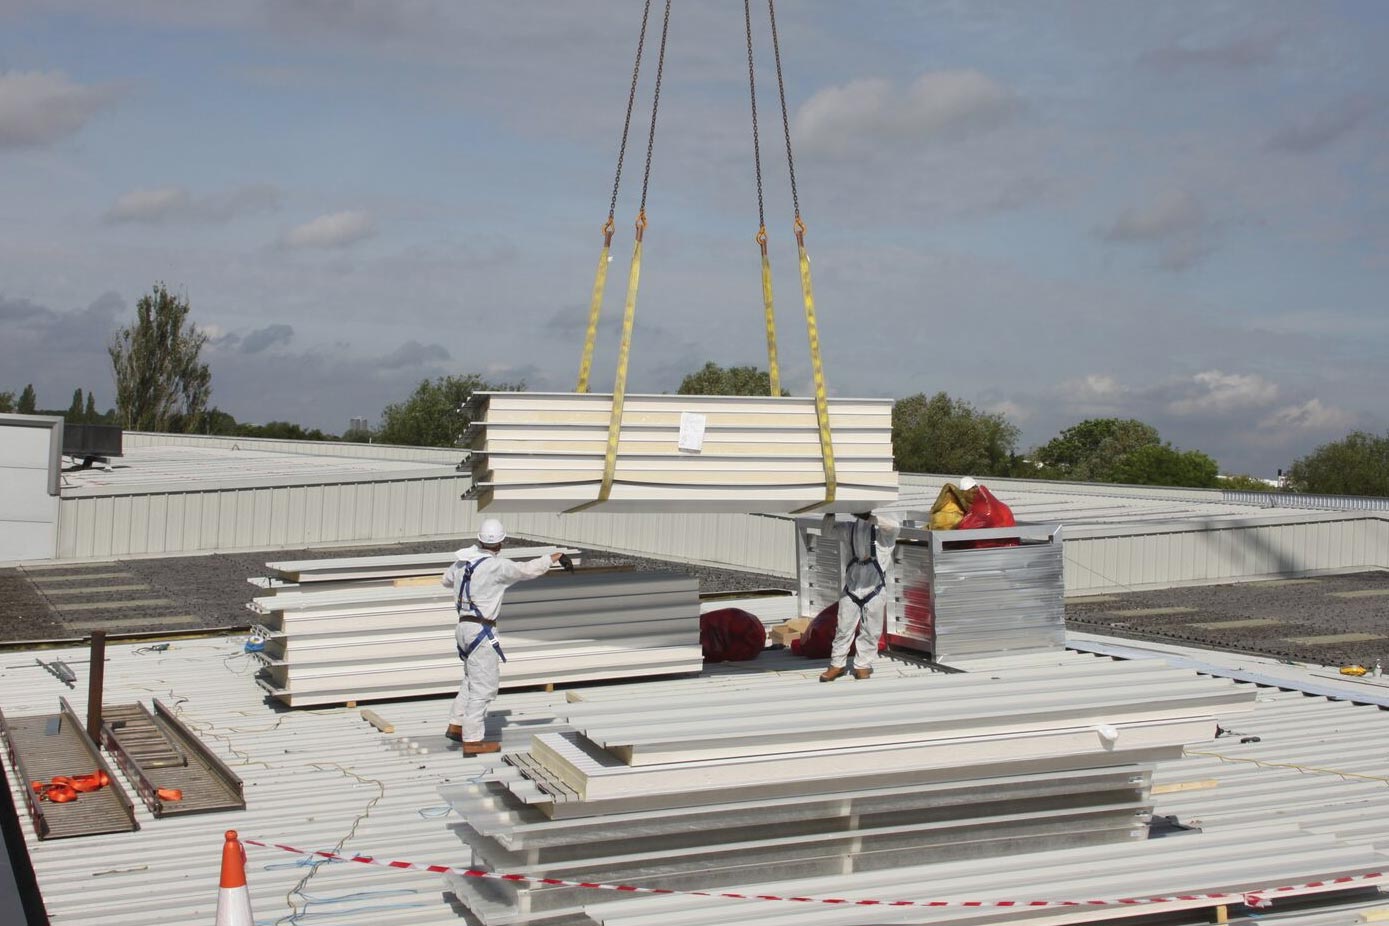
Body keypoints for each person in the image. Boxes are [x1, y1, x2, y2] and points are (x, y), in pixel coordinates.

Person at [442, 518, 565, 755]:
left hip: (464, 627)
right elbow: (526, 570)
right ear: (501, 543)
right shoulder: (496, 567)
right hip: (482, 629)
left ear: (479, 539)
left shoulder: (462, 563)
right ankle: (473, 739)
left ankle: (456, 724)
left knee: (470, 678)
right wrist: (551, 558)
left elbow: (445, 581)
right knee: (484, 687)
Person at [820, 510, 900, 682]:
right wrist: (830, 511)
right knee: (843, 628)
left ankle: (863, 665)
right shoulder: (849, 529)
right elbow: (827, 531)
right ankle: (837, 664)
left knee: (871, 631)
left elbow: (894, 526)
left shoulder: (883, 533)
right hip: (852, 588)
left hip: (875, 588)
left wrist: (869, 517)